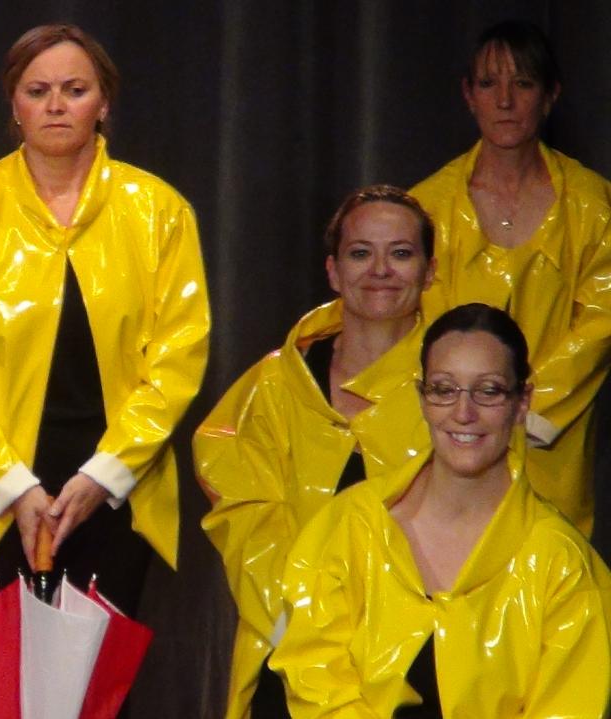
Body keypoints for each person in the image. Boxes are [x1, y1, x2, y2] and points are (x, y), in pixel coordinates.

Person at [0, 23, 210, 613]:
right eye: (37, 91)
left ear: (104, 103)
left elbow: (180, 353)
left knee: (101, 669)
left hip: (117, 486)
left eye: (75, 89)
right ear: (14, 105)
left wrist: (106, 474)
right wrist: (13, 486)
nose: (56, 105)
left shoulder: (160, 212)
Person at [270, 303, 611, 717]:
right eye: (445, 390)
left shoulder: (563, 567)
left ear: (522, 401)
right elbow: (312, 675)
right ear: (422, 398)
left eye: (488, 391)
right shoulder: (350, 526)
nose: (464, 414)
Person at [195, 186, 436, 718]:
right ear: (333, 271)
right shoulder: (276, 385)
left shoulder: (453, 392)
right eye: (360, 252)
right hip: (286, 649)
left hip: (413, 663)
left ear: (429, 271)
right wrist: (296, 627)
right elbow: (245, 518)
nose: (380, 270)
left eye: (400, 253)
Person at [410, 20, 611, 535]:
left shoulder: (593, 205)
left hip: (549, 444)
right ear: (468, 95)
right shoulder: (428, 206)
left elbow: (602, 321)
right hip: (447, 440)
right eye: (488, 83)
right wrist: (465, 405)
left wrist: (531, 409)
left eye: (522, 83)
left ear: (550, 95)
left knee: (547, 567)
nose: (504, 101)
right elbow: (413, 326)